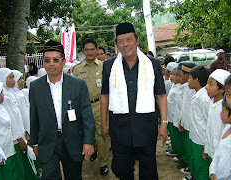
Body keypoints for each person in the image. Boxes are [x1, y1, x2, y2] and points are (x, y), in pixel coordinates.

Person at [101, 22, 167, 180]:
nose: (125, 44)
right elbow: (105, 96)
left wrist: (163, 123)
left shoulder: (153, 64)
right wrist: (104, 124)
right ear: (117, 44)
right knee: (121, 168)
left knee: (148, 169)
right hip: (119, 127)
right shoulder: (109, 66)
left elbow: (161, 95)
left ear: (137, 41)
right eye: (121, 41)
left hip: (146, 126)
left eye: (129, 40)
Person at [29, 40, 95, 180]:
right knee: (49, 176)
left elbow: (87, 115)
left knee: (74, 176)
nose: (51, 64)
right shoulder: (35, 87)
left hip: (72, 140)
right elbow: (34, 116)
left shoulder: (78, 85)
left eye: (55, 60)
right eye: (47, 60)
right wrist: (34, 142)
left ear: (63, 61)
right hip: (47, 142)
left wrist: (88, 141)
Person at [73, 38, 110, 176]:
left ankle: (103, 163)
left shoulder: (104, 66)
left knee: (103, 134)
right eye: (86, 50)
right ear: (83, 51)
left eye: (92, 49)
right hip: (83, 106)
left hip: (99, 105)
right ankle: (93, 150)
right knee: (86, 132)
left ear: (96, 50)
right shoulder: (77, 69)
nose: (89, 52)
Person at [188, 65, 211, 180]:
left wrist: (206, 144)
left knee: (202, 167)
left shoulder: (204, 98)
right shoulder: (197, 94)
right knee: (196, 164)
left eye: (190, 78)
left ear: (196, 80)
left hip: (202, 139)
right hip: (196, 137)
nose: (188, 81)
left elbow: (209, 121)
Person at [204, 69, 230, 161]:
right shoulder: (211, 103)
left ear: (222, 89)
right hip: (212, 149)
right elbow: (209, 127)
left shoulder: (225, 110)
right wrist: (206, 147)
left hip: (221, 154)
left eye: (211, 84)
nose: (207, 87)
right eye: (207, 83)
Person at [209, 77, 231, 180]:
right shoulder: (227, 127)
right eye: (228, 94)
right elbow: (219, 153)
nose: (227, 99)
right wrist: (213, 170)